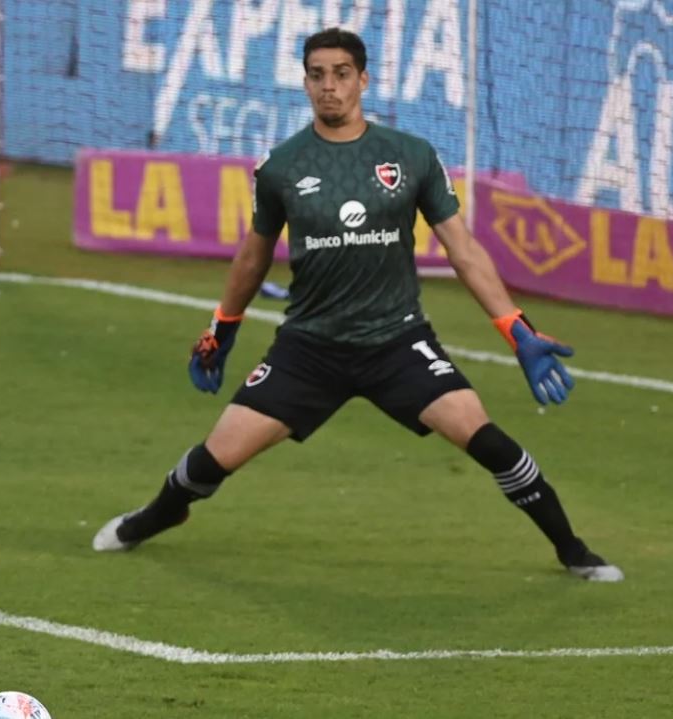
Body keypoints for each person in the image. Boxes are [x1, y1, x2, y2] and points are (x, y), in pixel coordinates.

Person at [92, 28, 622, 583]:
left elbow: (462, 249)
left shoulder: (410, 157)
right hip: (309, 348)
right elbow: (253, 256)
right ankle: (156, 516)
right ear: (304, 83)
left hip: (397, 342)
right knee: (214, 458)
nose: (330, 86)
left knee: (487, 438)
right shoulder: (281, 167)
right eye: (317, 75)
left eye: (341, 73)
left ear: (363, 80)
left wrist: (517, 330)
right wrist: (222, 328)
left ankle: (573, 549)